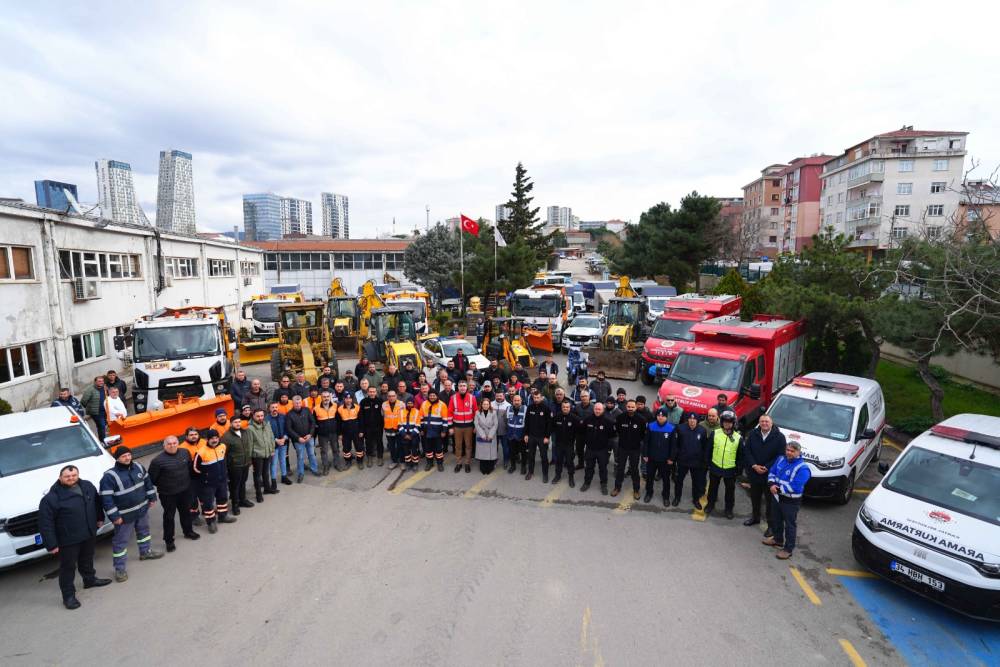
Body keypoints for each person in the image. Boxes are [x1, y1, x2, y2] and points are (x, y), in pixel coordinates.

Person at [38, 465, 111, 609]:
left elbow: (96, 502)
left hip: (88, 532)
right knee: (68, 567)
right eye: (67, 476)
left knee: (87, 558)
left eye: (74, 475)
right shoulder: (51, 498)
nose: (71, 478)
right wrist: (51, 544)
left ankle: (89, 580)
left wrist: (99, 517)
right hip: (68, 539)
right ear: (60, 478)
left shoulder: (87, 486)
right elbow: (45, 523)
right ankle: (68, 596)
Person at [100, 446, 162, 582]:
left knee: (144, 533)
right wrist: (115, 517)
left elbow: (148, 483)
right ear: (117, 458)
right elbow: (106, 499)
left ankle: (145, 552)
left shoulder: (139, 467)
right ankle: (120, 569)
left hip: (142, 510)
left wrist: (152, 498)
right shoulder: (109, 477)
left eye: (129, 455)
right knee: (120, 543)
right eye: (123, 456)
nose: (127, 458)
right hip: (124, 517)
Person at [148, 435, 200, 553]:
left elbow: (189, 468)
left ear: (178, 443)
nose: (172, 446)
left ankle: (188, 532)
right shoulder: (157, 461)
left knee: (186, 512)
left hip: (184, 491)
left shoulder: (185, 452)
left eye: (174, 443)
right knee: (169, 517)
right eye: (169, 444)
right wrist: (166, 485)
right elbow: (152, 479)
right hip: (168, 494)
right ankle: (169, 541)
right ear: (164, 446)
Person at [765, 441, 812, 560]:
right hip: (777, 497)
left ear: (798, 452)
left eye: (792, 451)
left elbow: (796, 486)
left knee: (790, 525)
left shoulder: (803, 469)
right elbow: (772, 472)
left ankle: (788, 549)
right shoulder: (781, 459)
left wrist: (778, 489)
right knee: (776, 519)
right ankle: (778, 539)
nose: (789, 453)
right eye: (788, 450)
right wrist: (771, 484)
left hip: (790, 502)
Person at [743, 414, 787, 532]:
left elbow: (781, 455)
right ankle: (755, 517)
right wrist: (754, 465)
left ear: (771, 423)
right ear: (759, 423)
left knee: (770, 502)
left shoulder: (780, 437)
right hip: (754, 472)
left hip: (770, 475)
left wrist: (767, 467)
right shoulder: (753, 434)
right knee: (755, 497)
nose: (764, 424)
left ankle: (771, 525)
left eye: (767, 421)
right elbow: (747, 451)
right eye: (762, 421)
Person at [193, 429, 236, 533]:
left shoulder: (223, 446)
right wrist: (206, 477)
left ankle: (223, 516)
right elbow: (195, 469)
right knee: (208, 503)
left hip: (221, 481)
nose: (215, 440)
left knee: (222, 498)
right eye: (212, 438)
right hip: (208, 484)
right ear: (207, 439)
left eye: (216, 438)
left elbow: (223, 461)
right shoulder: (201, 452)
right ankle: (211, 522)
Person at [705, 410, 742, 519]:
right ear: (722, 422)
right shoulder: (715, 433)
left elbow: (741, 456)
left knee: (730, 492)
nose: (727, 424)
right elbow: (708, 449)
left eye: (730, 422)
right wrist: (708, 464)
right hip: (715, 466)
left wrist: (738, 470)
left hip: (730, 469)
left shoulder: (738, 437)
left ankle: (729, 509)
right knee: (712, 488)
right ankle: (710, 505)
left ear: (733, 423)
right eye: (725, 421)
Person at [672, 412, 710, 508]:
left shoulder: (702, 430)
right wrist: (675, 458)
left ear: (697, 421)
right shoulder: (680, 428)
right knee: (678, 481)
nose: (692, 421)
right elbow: (676, 445)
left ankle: (696, 500)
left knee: (696, 482)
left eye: (694, 419)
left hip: (696, 462)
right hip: (682, 461)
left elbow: (704, 446)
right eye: (690, 419)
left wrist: (704, 461)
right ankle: (677, 497)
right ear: (687, 419)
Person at [614, 399, 647, 499]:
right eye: (629, 407)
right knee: (620, 469)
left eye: (632, 407)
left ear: (636, 407)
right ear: (626, 407)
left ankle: (636, 490)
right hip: (622, 448)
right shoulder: (620, 417)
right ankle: (617, 488)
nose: (630, 409)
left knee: (634, 470)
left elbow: (642, 435)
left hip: (635, 449)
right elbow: (618, 430)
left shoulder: (641, 420)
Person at [641, 409, 675, 505]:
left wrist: (671, 458)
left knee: (666, 479)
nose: (660, 417)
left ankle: (666, 496)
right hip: (651, 458)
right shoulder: (651, 426)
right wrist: (645, 454)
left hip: (665, 460)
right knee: (650, 478)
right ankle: (649, 493)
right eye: (659, 416)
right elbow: (646, 442)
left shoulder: (671, 428)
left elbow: (673, 445)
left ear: (666, 417)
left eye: (663, 416)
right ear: (656, 416)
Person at [580, 402, 614, 495]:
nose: (597, 411)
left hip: (602, 450)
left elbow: (612, 436)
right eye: (596, 409)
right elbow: (582, 432)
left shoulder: (608, 422)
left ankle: (603, 484)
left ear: (603, 410)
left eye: (599, 409)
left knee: (603, 468)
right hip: (590, 449)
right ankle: (587, 483)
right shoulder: (588, 420)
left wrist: (608, 448)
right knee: (589, 467)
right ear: (593, 409)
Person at [222, 415, 253, 514]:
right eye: (235, 422)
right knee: (235, 485)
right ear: (231, 424)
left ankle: (242, 500)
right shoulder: (226, 437)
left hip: (245, 463)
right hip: (234, 465)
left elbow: (248, 446)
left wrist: (249, 460)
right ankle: (235, 505)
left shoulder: (244, 432)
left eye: (239, 422)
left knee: (243, 482)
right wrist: (227, 467)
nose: (238, 424)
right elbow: (223, 454)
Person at [286, 395, 319, 482]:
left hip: (309, 438)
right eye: (296, 403)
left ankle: (314, 469)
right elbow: (289, 429)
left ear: (301, 402)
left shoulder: (307, 410)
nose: (298, 404)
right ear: (292, 403)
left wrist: (310, 434)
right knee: (300, 457)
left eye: (299, 402)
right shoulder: (289, 414)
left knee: (311, 454)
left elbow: (313, 423)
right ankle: (301, 473)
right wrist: (298, 438)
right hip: (298, 440)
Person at [247, 408, 277, 500]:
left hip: (267, 452)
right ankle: (258, 494)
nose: (260, 418)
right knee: (257, 475)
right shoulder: (250, 428)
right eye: (258, 416)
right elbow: (249, 444)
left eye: (262, 416)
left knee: (265, 472)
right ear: (253, 416)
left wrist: (272, 449)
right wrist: (250, 459)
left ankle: (267, 489)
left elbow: (271, 437)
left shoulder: (267, 424)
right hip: (257, 455)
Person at [523, 390, 553, 482]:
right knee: (531, 456)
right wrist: (526, 434)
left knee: (544, 457)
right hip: (531, 436)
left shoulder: (546, 408)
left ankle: (545, 474)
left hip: (542, 437)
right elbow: (527, 422)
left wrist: (547, 437)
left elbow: (549, 424)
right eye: (534, 398)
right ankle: (530, 472)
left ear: (541, 398)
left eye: (537, 398)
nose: (536, 399)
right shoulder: (530, 407)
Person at [551, 400, 580, 487]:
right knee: (558, 460)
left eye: (567, 407)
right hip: (559, 443)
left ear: (570, 408)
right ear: (561, 407)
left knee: (569, 461)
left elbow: (579, 431)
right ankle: (558, 475)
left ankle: (571, 477)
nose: (565, 409)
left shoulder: (574, 418)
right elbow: (551, 428)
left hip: (569, 444)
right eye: (564, 407)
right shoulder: (557, 417)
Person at [449, 380, 476, 473]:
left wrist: (475, 426)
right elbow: (449, 413)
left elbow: (475, 413)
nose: (462, 387)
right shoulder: (453, 398)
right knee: (458, 446)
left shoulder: (472, 398)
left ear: (467, 387)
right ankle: (459, 463)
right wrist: (450, 427)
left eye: (464, 385)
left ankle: (467, 463)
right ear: (458, 387)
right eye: (460, 386)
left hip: (469, 426)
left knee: (468, 446)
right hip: (457, 427)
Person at [420, 389, 449, 471]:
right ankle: (429, 463)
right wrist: (421, 429)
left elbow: (445, 419)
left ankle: (440, 463)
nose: (432, 397)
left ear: (437, 396)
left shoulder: (442, 405)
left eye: (434, 395)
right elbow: (421, 418)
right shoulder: (424, 404)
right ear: (428, 396)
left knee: (439, 449)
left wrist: (444, 431)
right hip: (427, 431)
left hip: (438, 431)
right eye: (430, 395)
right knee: (428, 449)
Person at [267, 402, 292, 485]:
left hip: (283, 442)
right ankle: (273, 480)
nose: (274, 409)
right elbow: (266, 432)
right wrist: (275, 440)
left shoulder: (283, 417)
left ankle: (284, 477)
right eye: (272, 407)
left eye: (276, 407)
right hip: (273, 444)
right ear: (269, 409)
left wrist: (285, 437)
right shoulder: (266, 419)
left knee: (283, 460)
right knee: (273, 463)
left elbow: (287, 428)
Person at [337, 393, 364, 469]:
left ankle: (360, 461)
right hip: (345, 433)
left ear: (352, 399)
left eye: (350, 398)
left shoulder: (357, 407)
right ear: (344, 399)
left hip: (356, 432)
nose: (348, 400)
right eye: (346, 398)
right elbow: (338, 423)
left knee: (359, 447)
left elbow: (361, 420)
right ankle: (348, 461)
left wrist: (361, 431)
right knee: (346, 448)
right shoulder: (340, 409)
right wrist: (339, 434)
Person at [314, 392, 338, 474]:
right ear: (321, 398)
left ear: (330, 397)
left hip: (333, 433)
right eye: (324, 397)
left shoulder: (335, 406)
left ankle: (336, 463)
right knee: (324, 451)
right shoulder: (316, 408)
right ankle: (325, 466)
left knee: (335, 449)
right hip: (322, 434)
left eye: (328, 396)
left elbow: (338, 419)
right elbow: (314, 423)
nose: (326, 398)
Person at [361, 385, 385, 467]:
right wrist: (362, 428)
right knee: (368, 443)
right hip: (367, 427)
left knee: (379, 442)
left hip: (378, 426)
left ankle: (380, 457)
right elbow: (361, 416)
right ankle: (369, 458)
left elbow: (384, 414)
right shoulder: (363, 402)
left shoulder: (380, 401)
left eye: (373, 392)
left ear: (376, 392)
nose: (372, 393)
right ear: (367, 392)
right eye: (370, 392)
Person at [474, 397, 499, 474]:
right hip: (481, 435)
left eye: (487, 404)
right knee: (482, 452)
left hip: (491, 435)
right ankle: (483, 468)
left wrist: (490, 435)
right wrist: (483, 435)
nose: (485, 406)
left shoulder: (493, 412)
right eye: (484, 404)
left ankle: (490, 468)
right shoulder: (477, 412)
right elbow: (476, 424)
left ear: (489, 405)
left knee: (490, 453)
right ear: (481, 405)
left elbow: (496, 424)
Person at [571, 390, 594, 470]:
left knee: (589, 450)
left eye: (586, 396)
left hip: (589, 433)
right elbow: (573, 415)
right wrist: (579, 420)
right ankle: (581, 464)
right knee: (579, 449)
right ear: (580, 397)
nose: (584, 398)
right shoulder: (577, 406)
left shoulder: (593, 407)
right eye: (582, 396)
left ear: (589, 397)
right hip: (579, 432)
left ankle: (589, 465)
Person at [382, 390, 405, 469]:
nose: (391, 398)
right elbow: (382, 415)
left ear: (396, 396)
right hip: (388, 428)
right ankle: (394, 461)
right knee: (391, 447)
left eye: (393, 396)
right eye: (390, 396)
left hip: (399, 428)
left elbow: (404, 415)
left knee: (400, 445)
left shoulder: (401, 404)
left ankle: (402, 461)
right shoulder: (384, 404)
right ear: (387, 397)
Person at [80, 376, 108, 442]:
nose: (101, 382)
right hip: (96, 412)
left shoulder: (104, 388)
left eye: (102, 381)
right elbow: (83, 401)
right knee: (102, 426)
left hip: (106, 411)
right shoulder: (90, 390)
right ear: (95, 382)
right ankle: (103, 441)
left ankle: (103, 438)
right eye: (99, 381)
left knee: (104, 426)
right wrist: (91, 408)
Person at [505, 394, 527, 474]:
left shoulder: (525, 409)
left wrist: (526, 434)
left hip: (522, 435)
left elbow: (528, 423)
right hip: (511, 435)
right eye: (515, 400)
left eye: (518, 400)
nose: (517, 402)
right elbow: (506, 421)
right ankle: (513, 466)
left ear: (521, 401)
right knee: (512, 452)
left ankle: (523, 467)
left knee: (523, 452)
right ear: (512, 401)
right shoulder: (508, 408)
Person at [399, 398, 423, 470]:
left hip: (414, 436)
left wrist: (411, 435)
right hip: (404, 435)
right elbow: (399, 425)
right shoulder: (401, 412)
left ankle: (415, 464)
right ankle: (408, 464)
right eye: (408, 403)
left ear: (413, 404)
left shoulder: (417, 412)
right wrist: (405, 435)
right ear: (406, 404)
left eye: (411, 403)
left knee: (414, 451)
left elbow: (418, 425)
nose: (409, 404)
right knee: (406, 451)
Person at [493, 390, 511, 468]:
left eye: (500, 396)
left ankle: (506, 461)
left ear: (504, 396)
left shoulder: (508, 405)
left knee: (505, 447)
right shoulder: (491, 404)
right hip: (493, 431)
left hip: (504, 431)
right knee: (494, 447)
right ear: (495, 396)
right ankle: (494, 460)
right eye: (497, 396)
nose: (499, 397)